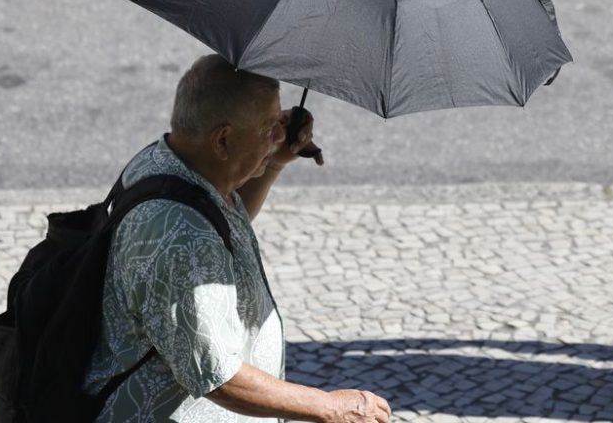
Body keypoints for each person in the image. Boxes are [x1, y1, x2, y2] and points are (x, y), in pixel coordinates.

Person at [85, 54, 391, 423]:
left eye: (281, 123)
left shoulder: (171, 164)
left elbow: (225, 222)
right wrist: (329, 407)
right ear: (224, 140)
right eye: (269, 129)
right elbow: (217, 374)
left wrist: (272, 160)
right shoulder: (180, 237)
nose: (279, 135)